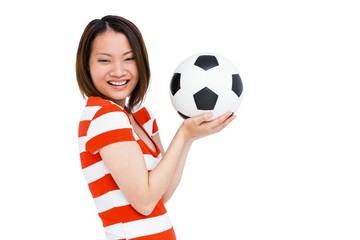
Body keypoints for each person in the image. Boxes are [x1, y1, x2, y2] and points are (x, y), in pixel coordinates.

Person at [76, 15, 236, 240]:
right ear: (86, 64)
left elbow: (162, 193)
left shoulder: (141, 116)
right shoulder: (104, 116)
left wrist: (189, 138)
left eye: (129, 58)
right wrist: (183, 134)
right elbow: (145, 202)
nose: (119, 71)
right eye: (104, 60)